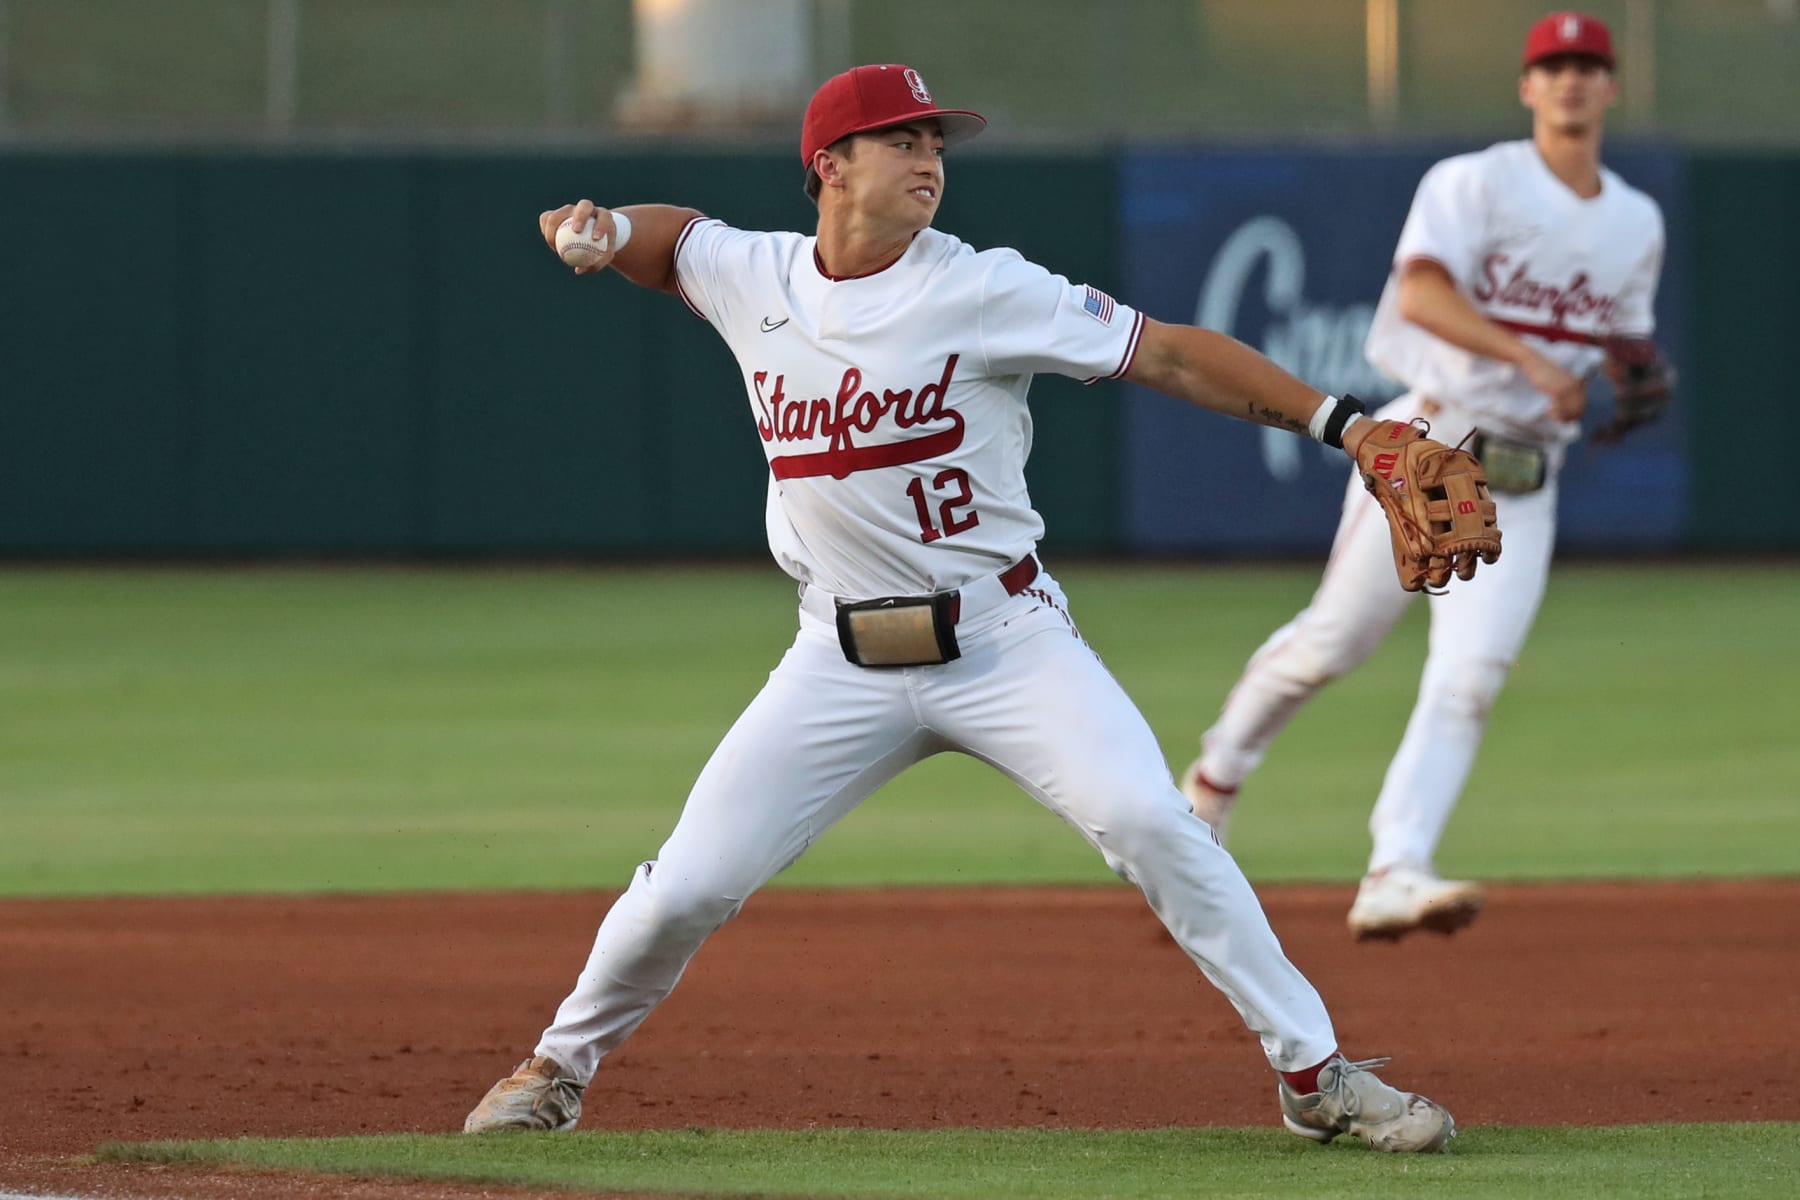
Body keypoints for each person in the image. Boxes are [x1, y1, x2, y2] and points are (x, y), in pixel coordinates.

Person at [464, 63, 1465, 1152]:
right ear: (829, 167)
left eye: (936, 142)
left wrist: (1351, 428)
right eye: (902, 140)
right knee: (685, 887)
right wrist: (608, 229)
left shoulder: (984, 285)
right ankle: (555, 1069)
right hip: (834, 659)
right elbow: (677, 244)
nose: (930, 159)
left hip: (1004, 642)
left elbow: (1168, 352)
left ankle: (1316, 1077)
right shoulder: (753, 273)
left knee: (1150, 824)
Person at [1180, 11, 1667, 941]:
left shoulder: (1636, 222)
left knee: (1470, 678)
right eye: (1553, 65)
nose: (1570, 80)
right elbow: (1422, 293)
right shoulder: (1475, 182)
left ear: (1612, 87)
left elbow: (1623, 335)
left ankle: (1395, 868)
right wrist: (1533, 363)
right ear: (1527, 86)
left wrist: (1632, 368)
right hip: (1429, 449)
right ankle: (1211, 782)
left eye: (1588, 66)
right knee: (1332, 644)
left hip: (1527, 478)